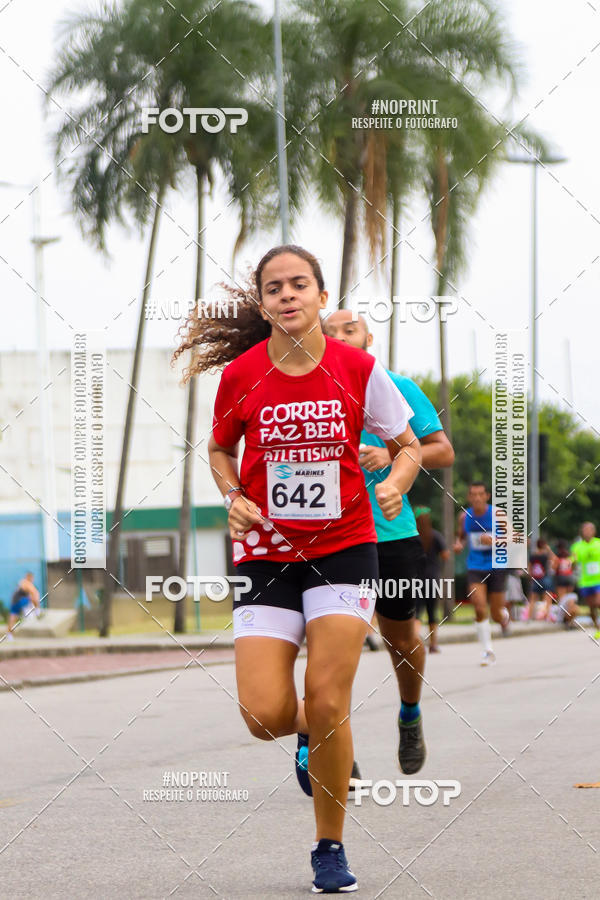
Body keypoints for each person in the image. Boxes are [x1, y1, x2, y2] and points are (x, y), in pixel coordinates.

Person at [174, 245, 421, 894]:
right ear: (262, 304)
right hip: (266, 552)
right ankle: (312, 728)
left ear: (320, 296)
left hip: (343, 547)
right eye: (275, 288)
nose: (287, 295)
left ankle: (329, 847)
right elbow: (220, 449)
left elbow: (409, 444)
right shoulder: (243, 376)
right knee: (262, 715)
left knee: (330, 694)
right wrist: (233, 495)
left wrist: (395, 481)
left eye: (299, 285)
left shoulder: (359, 368)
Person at [322, 310, 454, 775]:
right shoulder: (310, 387)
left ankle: (410, 713)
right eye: (329, 332)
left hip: (390, 536)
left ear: (368, 337)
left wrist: (391, 451)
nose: (339, 337)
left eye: (348, 329)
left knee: (401, 638)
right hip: (330, 537)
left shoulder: (395, 385)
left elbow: (441, 449)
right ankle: (332, 743)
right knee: (335, 642)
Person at [454, 482, 510, 665]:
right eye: (473, 494)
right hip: (475, 566)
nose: (477, 498)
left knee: (495, 614)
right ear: (469, 497)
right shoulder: (464, 517)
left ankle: (504, 617)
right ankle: (487, 651)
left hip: (497, 566)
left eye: (480, 494)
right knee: (478, 607)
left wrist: (494, 540)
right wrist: (459, 544)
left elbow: (518, 538)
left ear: (487, 496)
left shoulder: (497, 515)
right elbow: (462, 535)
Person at [414, 507, 449, 653]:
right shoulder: (435, 535)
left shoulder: (412, 537)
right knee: (432, 612)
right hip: (432, 579)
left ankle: (414, 643)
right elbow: (446, 555)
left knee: (416, 612)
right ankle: (433, 645)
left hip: (415, 579)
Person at [571, 522, 600, 633]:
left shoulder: (598, 543)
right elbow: (573, 563)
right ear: (582, 532)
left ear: (594, 531)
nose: (587, 532)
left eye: (589, 530)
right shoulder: (577, 546)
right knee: (591, 607)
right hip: (585, 581)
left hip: (598, 580)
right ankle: (597, 628)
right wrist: (572, 562)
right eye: (585, 530)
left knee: (598, 602)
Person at [524, 537, 556, 622]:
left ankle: (529, 617)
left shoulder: (533, 555)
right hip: (545, 577)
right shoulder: (546, 555)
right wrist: (549, 549)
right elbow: (555, 559)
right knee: (548, 597)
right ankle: (547, 616)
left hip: (535, 578)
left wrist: (530, 577)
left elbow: (529, 568)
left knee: (533, 598)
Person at [6, 572, 41, 640]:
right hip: (19, 601)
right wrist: (37, 605)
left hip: (17, 601)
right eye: (31, 578)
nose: (32, 579)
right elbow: (34, 592)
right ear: (28, 577)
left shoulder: (25, 584)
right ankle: (34, 610)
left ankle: (9, 634)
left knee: (13, 618)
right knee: (13, 618)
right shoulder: (25, 582)